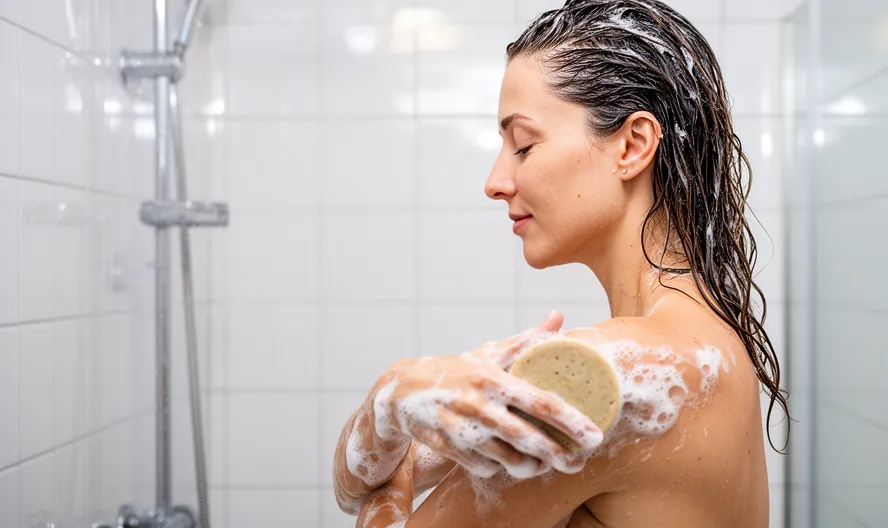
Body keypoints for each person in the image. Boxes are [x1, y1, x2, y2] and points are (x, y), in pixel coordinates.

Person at [332, 1, 789, 526]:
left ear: (633, 144)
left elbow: (368, 488)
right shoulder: (709, 346)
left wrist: (392, 388)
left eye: (523, 145)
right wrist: (393, 409)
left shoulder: (611, 381)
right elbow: (363, 473)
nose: (495, 181)